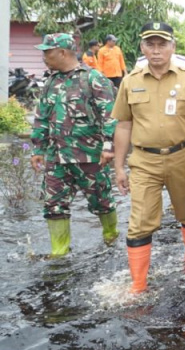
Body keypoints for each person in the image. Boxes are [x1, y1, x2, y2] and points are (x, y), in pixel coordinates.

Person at [111, 22, 185, 294]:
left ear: (172, 47)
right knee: (140, 221)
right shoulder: (130, 81)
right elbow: (123, 126)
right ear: (143, 47)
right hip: (144, 161)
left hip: (183, 156)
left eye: (162, 44)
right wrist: (119, 167)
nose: (156, 50)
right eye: (150, 44)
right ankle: (138, 285)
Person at [30, 33, 118, 258]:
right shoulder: (50, 81)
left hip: (89, 156)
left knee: (102, 201)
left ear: (62, 52)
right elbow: (41, 116)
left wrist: (109, 145)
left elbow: (111, 115)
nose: (44, 57)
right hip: (56, 157)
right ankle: (59, 253)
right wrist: (38, 148)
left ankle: (111, 237)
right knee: (54, 205)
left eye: (47, 52)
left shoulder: (93, 79)